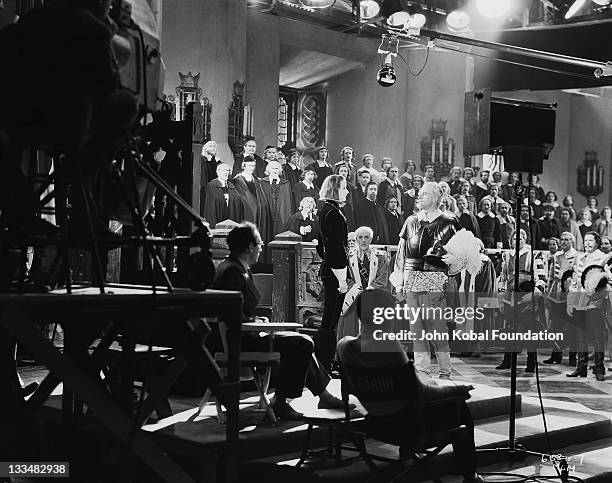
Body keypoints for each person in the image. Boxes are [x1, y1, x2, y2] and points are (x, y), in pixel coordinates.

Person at [337, 289, 484, 483]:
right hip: (408, 425)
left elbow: (348, 391)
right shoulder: (388, 346)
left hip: (375, 423)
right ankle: (469, 475)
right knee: (461, 408)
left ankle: (407, 460)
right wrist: (456, 390)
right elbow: (421, 393)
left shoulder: (344, 346)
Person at [212, 223, 349, 419]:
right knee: (300, 342)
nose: (261, 247)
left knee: (299, 339)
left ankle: (321, 395)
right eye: (259, 243)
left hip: (246, 333)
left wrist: (255, 319)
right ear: (250, 247)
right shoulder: (231, 272)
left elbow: (239, 311)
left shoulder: (237, 267)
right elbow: (229, 315)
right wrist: (257, 324)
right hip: (238, 341)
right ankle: (282, 401)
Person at [391, 181, 481, 379]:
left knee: (437, 328)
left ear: (436, 197)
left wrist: (452, 260)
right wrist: (399, 282)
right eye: (419, 194)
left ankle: (444, 370)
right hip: (411, 277)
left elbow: (463, 252)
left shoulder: (449, 221)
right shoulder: (410, 221)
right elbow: (400, 254)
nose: (419, 197)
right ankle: (421, 371)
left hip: (435, 277)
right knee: (416, 329)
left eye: (424, 194)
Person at [315, 175, 350, 372]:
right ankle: (324, 362)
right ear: (335, 190)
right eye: (344, 187)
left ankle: (323, 361)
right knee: (330, 319)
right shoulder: (334, 213)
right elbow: (335, 247)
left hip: (329, 269)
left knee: (329, 318)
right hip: (335, 272)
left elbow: (322, 246)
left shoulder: (325, 210)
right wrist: (342, 279)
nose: (346, 191)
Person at [566, 231, 609, 381]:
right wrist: (570, 303)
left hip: (595, 303)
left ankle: (599, 369)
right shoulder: (579, 257)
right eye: (585, 240)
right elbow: (574, 282)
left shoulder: (603, 258)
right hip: (579, 302)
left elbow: (607, 282)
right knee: (580, 337)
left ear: (597, 242)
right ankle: (581, 367)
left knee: (597, 337)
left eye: (591, 240)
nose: (587, 243)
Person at [336, 226, 389, 339]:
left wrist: (371, 289)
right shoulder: (348, 257)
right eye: (360, 237)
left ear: (371, 239)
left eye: (366, 237)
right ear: (356, 239)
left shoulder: (380, 257)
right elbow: (346, 277)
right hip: (353, 298)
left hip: (373, 296)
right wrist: (357, 290)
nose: (363, 240)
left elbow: (383, 277)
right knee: (350, 328)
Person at [543, 232, 578, 365]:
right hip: (555, 294)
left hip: (569, 294)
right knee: (556, 325)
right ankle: (556, 355)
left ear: (572, 242)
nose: (564, 242)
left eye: (567, 240)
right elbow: (551, 275)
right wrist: (547, 291)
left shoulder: (576, 256)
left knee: (571, 326)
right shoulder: (556, 256)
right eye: (562, 240)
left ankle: (572, 357)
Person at [233, 156, 273, 245]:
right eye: (250, 166)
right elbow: (243, 196)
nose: (252, 168)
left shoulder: (256, 180)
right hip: (247, 209)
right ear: (244, 166)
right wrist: (255, 206)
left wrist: (262, 205)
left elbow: (261, 196)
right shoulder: (238, 179)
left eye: (253, 166)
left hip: (258, 208)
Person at [202, 163, 244, 228]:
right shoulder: (212, 185)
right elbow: (212, 205)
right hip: (218, 217)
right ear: (218, 172)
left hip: (230, 217)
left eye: (228, 170)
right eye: (224, 170)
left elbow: (237, 200)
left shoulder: (231, 186)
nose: (226, 172)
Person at [262, 161, 293, 237]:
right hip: (267, 214)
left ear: (280, 170)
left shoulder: (286, 184)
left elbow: (288, 202)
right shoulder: (262, 182)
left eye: (276, 168)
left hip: (281, 215)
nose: (274, 170)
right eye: (272, 168)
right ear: (268, 170)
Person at [200, 140, 221, 211]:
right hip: (204, 188)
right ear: (205, 148)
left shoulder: (216, 160)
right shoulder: (201, 159)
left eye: (214, 146)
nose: (213, 148)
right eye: (210, 146)